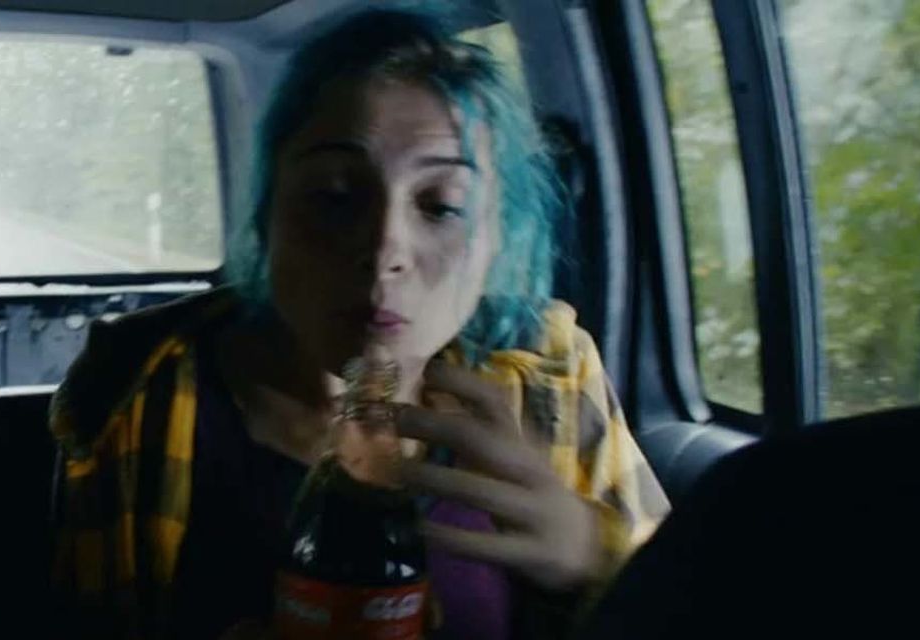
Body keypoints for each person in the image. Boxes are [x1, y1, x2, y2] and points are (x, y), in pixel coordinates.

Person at [47, 9, 668, 639]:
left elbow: (690, 599)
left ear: (495, 241)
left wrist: (593, 557)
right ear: (266, 218)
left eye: (441, 206)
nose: (383, 248)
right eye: (334, 196)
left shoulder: (550, 372)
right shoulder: (137, 389)